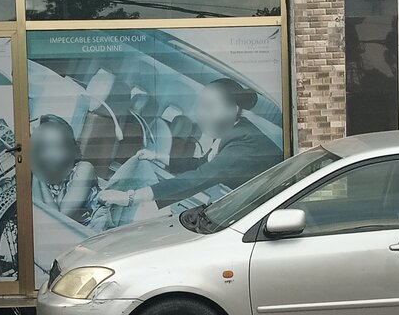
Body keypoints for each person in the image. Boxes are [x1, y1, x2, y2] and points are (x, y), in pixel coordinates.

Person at [98, 78, 281, 211]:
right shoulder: (231, 132)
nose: (202, 114)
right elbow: (201, 164)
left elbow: (200, 177)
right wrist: (157, 157)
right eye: (201, 106)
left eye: (209, 107)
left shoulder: (244, 142)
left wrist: (131, 197)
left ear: (232, 109)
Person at [30, 115, 100, 224]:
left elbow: (58, 219)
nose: (50, 155)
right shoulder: (42, 178)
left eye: (57, 147)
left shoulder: (84, 169)